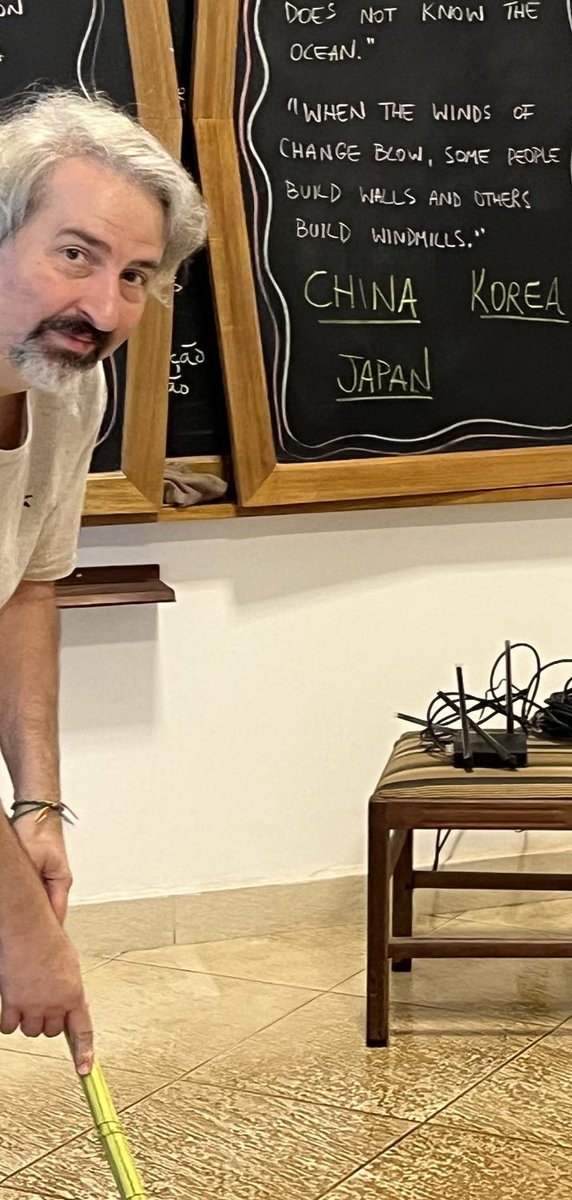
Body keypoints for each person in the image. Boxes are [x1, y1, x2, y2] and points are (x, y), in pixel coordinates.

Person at [0, 91, 206, 1076]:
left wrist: (37, 806)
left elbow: (25, 587)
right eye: (75, 255)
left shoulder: (63, 386)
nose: (107, 310)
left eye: (136, 276)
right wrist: (27, 937)